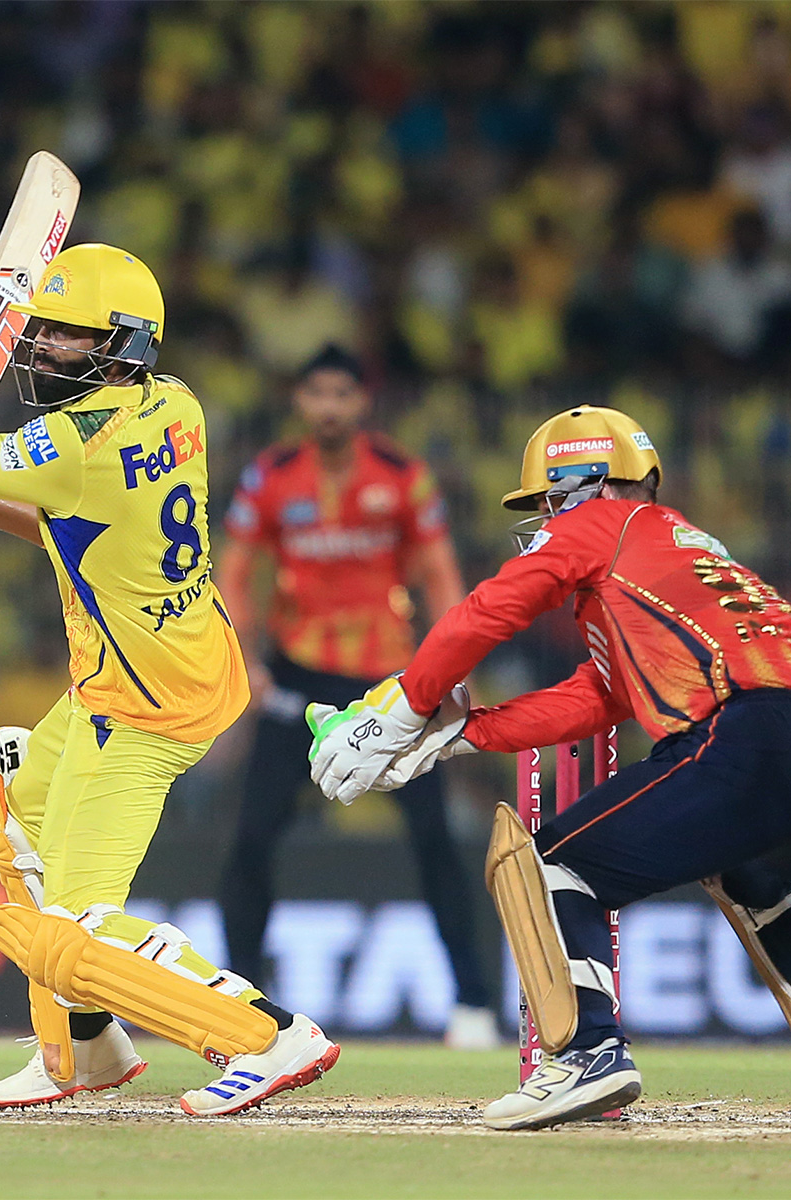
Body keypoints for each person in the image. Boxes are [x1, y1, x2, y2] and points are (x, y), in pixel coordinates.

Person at [309, 405, 791, 1131]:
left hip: (756, 734)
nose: (545, 519)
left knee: (553, 861)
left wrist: (404, 707)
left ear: (585, 485)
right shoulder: (675, 548)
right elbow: (602, 698)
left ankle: (589, 1052)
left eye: (549, 501)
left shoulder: (601, 525)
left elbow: (487, 611)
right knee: (761, 876)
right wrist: (468, 733)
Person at [0, 243, 338, 1117]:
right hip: (167, 672)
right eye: (42, 330)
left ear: (122, 345)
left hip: (144, 709)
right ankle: (84, 1050)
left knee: (75, 931)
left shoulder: (66, 442)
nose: (39, 347)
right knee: (11, 781)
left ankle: (269, 1036)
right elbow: (72, 523)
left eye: (65, 335)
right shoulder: (175, 405)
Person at [215, 344, 496, 1047]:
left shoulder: (402, 476)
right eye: (318, 395)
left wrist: (453, 666)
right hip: (300, 681)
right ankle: (241, 1004)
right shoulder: (271, 476)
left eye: (343, 395)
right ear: (300, 402)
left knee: (434, 838)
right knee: (251, 840)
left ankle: (473, 1005)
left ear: (362, 402)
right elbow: (234, 572)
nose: (330, 408)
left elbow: (438, 572)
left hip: (390, 685)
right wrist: (244, 664)